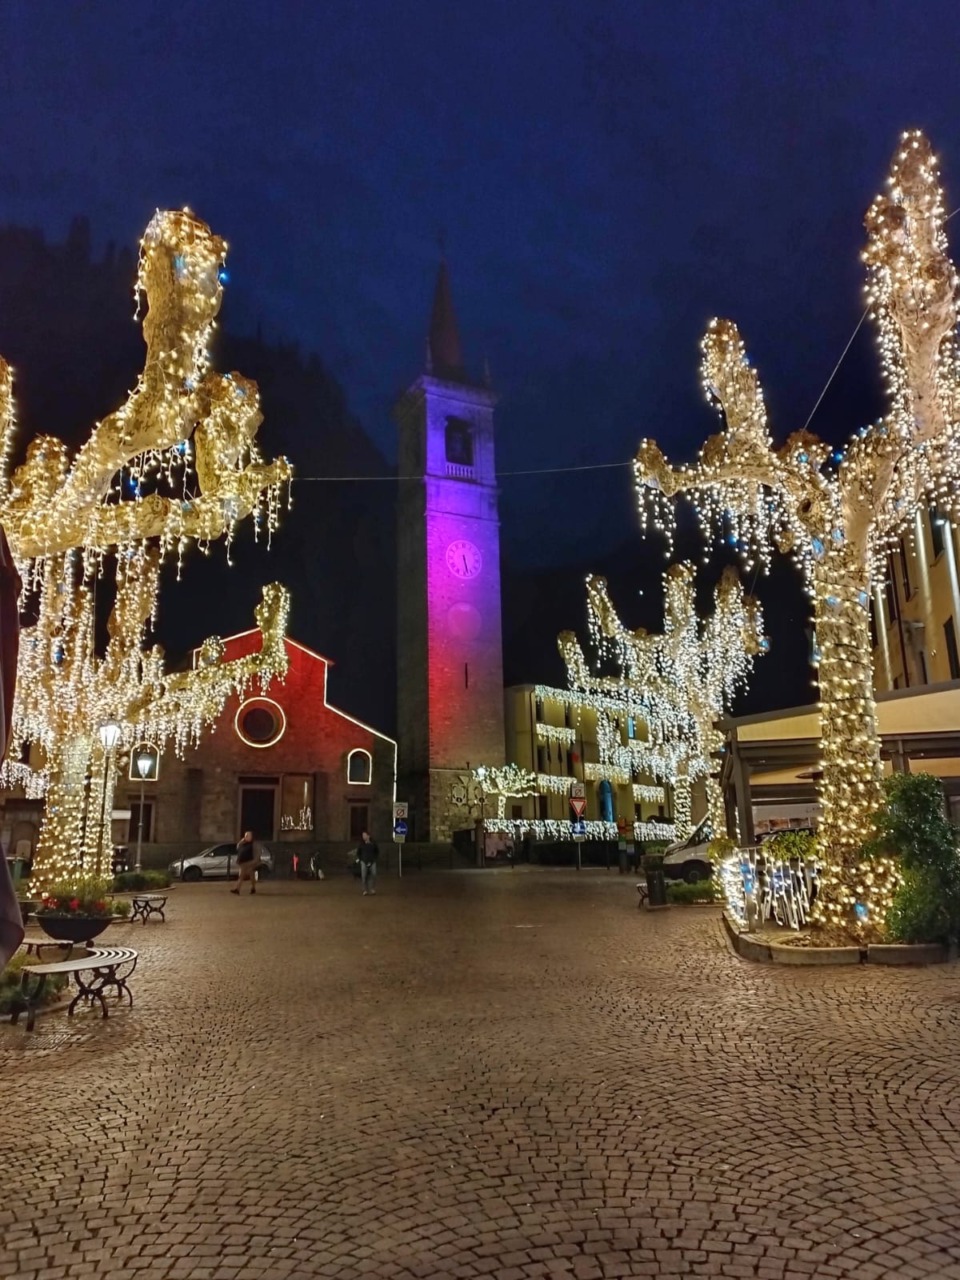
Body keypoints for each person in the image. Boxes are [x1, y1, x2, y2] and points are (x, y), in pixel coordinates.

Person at [231, 830, 259, 895]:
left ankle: (252, 888)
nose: (246, 837)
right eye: (245, 835)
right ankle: (238, 889)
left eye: (247, 836)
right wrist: (241, 842)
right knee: (242, 876)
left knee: (249, 876)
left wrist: (254, 862)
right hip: (243, 863)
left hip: (250, 862)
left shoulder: (254, 844)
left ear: (251, 837)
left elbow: (257, 854)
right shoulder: (244, 843)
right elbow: (238, 848)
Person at [356, 829, 379, 896]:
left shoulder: (373, 843)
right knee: (364, 876)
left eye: (365, 835)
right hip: (364, 861)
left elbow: (377, 851)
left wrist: (375, 859)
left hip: (372, 861)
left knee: (374, 874)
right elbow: (358, 853)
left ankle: (372, 888)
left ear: (368, 836)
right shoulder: (361, 844)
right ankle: (365, 890)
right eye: (363, 835)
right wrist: (361, 860)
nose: (363, 837)